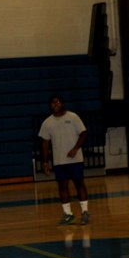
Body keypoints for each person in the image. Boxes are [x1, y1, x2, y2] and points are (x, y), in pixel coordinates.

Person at [38, 94, 90, 225]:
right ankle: (68, 214)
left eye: (57, 102)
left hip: (75, 160)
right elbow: (44, 143)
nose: (55, 105)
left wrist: (75, 148)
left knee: (79, 184)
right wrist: (44, 162)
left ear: (62, 103)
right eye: (53, 103)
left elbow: (84, 133)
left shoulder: (73, 117)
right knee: (62, 186)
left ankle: (85, 211)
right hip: (59, 161)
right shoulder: (47, 123)